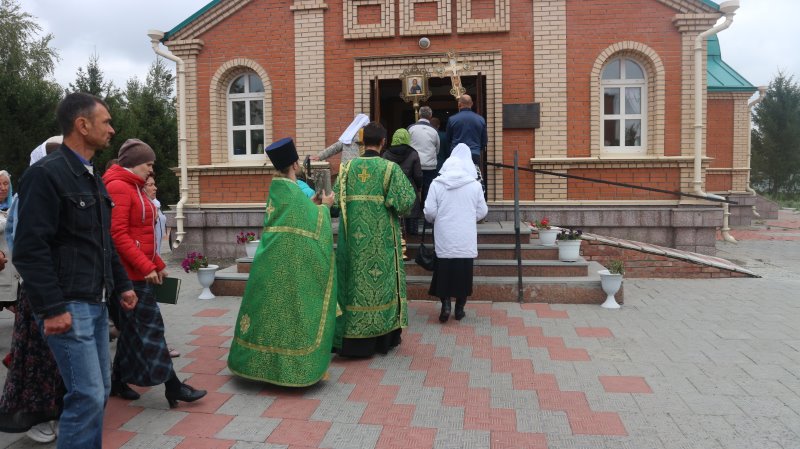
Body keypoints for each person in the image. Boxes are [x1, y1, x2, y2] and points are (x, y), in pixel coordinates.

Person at [13, 92, 138, 449]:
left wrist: (123, 285)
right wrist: (52, 308)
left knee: (97, 393)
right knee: (87, 394)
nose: (112, 129)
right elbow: (29, 249)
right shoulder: (45, 175)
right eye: (106, 122)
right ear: (82, 125)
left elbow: (102, 240)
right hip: (68, 304)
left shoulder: (91, 176)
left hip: (94, 302)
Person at [103, 139, 205, 407]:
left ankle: (117, 381)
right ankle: (173, 386)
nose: (151, 170)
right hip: (129, 277)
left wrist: (157, 263)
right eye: (148, 164)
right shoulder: (119, 187)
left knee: (131, 332)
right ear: (134, 162)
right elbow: (118, 235)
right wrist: (145, 266)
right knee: (152, 330)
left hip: (138, 273)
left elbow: (143, 234)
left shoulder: (133, 187)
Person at [228, 137, 338, 386]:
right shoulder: (292, 190)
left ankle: (256, 364)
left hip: (269, 261)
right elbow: (315, 225)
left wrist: (311, 205)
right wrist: (325, 206)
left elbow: (295, 215)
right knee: (291, 313)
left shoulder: (277, 190)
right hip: (289, 266)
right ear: (295, 165)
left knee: (267, 312)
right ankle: (289, 369)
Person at [0, 139, 66, 444]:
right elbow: (20, 241)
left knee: (58, 358)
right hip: (39, 290)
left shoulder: (65, 189)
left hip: (64, 287)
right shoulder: (29, 193)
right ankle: (33, 417)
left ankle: (56, 410)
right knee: (35, 358)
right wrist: (36, 277)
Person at [333, 122, 416, 357]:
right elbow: (405, 202)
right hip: (382, 244)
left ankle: (352, 340)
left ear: (362, 141)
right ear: (383, 142)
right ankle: (382, 339)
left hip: (353, 245)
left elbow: (335, 205)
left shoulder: (346, 169)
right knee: (381, 286)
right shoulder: (389, 169)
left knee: (354, 287)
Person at [424, 143, 488, 322]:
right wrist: (469, 218)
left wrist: (437, 219)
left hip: (444, 235)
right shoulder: (474, 185)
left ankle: (445, 305)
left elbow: (429, 211)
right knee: (463, 273)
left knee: (443, 271)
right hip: (465, 236)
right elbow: (483, 211)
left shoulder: (437, 184)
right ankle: (459, 309)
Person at [143, 175, 180, 358]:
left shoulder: (155, 204)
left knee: (153, 306)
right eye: (150, 185)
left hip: (154, 260)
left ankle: (154, 344)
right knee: (151, 308)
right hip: (145, 265)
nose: (155, 187)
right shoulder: (142, 207)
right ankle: (158, 345)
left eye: (154, 184)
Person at [382, 128, 422, 235]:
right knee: (412, 218)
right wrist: (419, 187)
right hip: (410, 188)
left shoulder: (386, 154)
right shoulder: (413, 154)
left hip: (392, 189)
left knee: (393, 219)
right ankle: (412, 238)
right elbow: (418, 175)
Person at [446, 94, 487, 172]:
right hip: (474, 153)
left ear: (459, 104)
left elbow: (448, 139)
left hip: (457, 154)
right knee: (473, 176)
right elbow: (484, 141)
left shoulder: (452, 119)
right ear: (472, 104)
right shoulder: (480, 119)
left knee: (457, 176)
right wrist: (477, 149)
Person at [408, 106, 440, 207]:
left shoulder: (411, 128)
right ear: (430, 116)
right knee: (428, 192)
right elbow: (437, 149)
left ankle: (414, 214)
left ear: (419, 115)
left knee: (413, 190)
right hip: (429, 166)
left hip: (414, 165)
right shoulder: (434, 131)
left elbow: (407, 146)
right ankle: (427, 214)